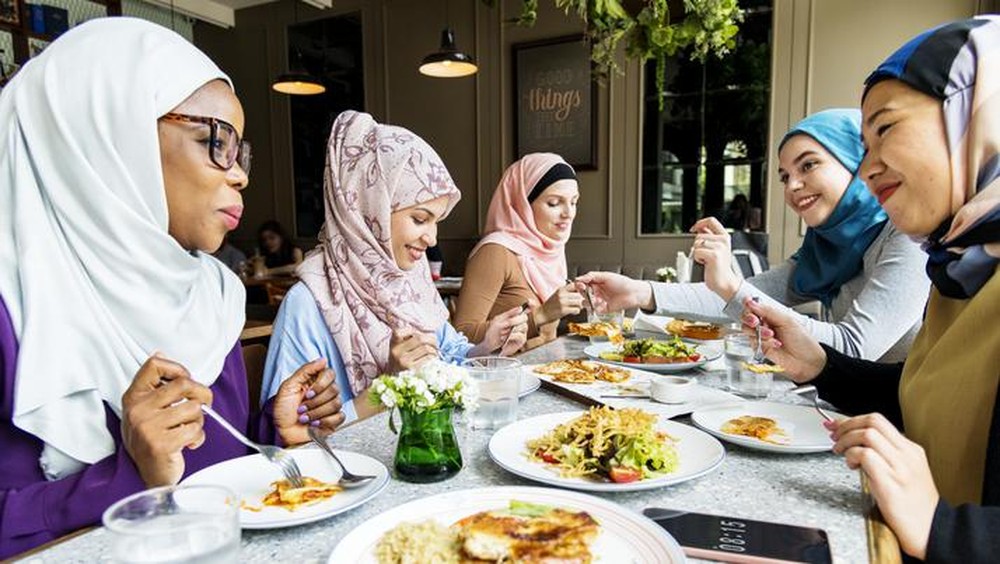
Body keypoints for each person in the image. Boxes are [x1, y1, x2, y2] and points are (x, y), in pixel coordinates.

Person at [0, 19, 344, 558]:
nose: (240, 176)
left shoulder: (211, 293)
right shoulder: (13, 309)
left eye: (239, 150)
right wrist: (128, 475)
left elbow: (213, 469)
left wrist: (273, 432)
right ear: (109, 137)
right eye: (216, 141)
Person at [745, 17, 1000, 561]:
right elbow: (925, 401)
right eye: (862, 145)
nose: (868, 169)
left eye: (886, 129)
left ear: (976, 115)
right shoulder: (962, 261)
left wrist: (946, 530)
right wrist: (822, 366)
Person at [579, 109, 928, 362]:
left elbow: (854, 346)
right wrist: (639, 291)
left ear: (857, 162)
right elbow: (729, 300)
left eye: (808, 165)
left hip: (901, 429)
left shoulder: (907, 236)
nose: (792, 186)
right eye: (784, 176)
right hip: (847, 408)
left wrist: (732, 285)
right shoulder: (823, 246)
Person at [261, 111, 528, 424]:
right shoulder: (308, 303)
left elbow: (445, 351)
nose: (431, 238)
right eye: (419, 219)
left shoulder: (410, 280)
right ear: (368, 207)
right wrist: (388, 385)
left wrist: (484, 348)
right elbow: (289, 435)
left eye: (436, 222)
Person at [453, 153, 584, 352]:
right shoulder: (495, 251)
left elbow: (547, 337)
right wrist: (540, 315)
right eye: (554, 203)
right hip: (504, 378)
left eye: (573, 202)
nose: (568, 213)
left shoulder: (551, 250)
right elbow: (461, 336)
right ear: (522, 203)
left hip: (546, 371)